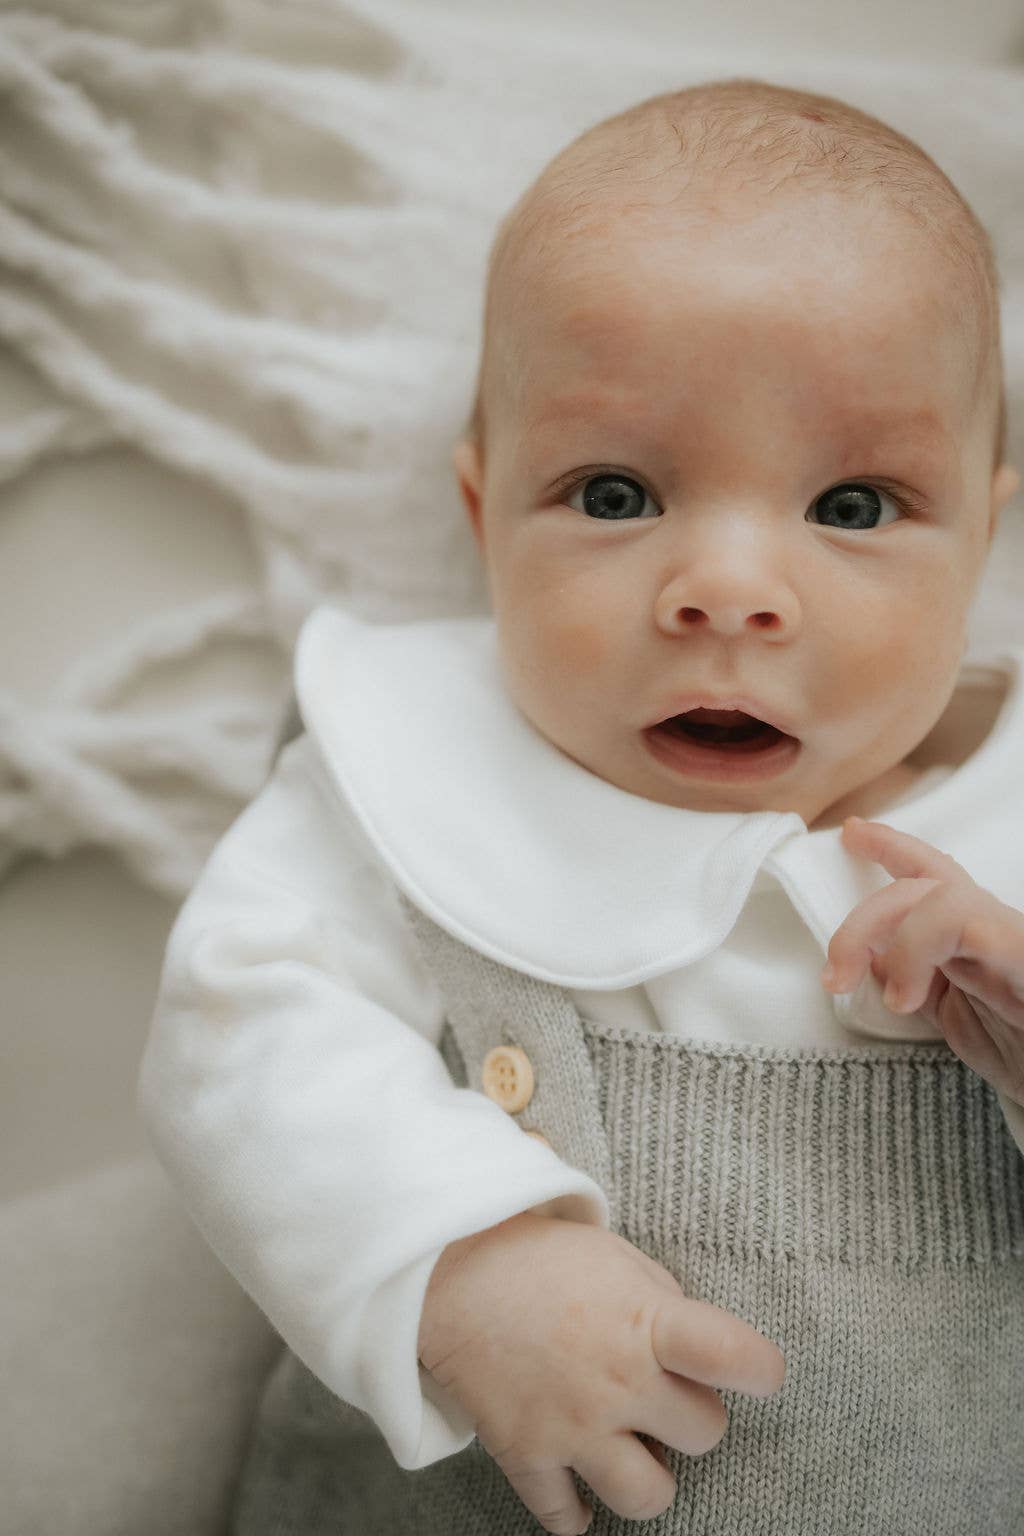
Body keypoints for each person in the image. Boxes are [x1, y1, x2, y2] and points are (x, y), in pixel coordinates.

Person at [138, 77, 1024, 1535]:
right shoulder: (413, 772)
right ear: (485, 521)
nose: (727, 590)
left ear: (985, 539)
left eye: (853, 507)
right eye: (615, 493)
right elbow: (241, 1023)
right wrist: (466, 1259)